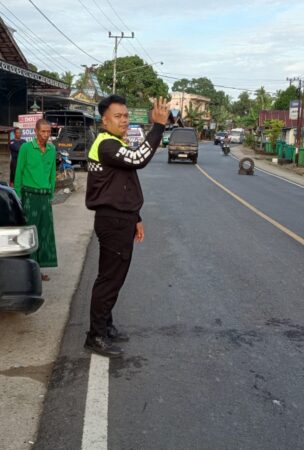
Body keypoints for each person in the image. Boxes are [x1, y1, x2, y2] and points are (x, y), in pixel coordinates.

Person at [84, 94, 169, 357]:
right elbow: (139, 158)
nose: (124, 120)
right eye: (118, 116)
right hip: (112, 221)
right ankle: (96, 335)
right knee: (109, 279)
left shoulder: (115, 143)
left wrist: (136, 217)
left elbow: (125, 185)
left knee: (114, 277)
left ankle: (105, 326)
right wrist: (158, 127)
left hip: (121, 219)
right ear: (104, 119)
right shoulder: (107, 145)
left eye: (126, 115)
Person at [14, 119, 57, 280]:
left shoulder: (52, 149)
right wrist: (18, 196)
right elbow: (19, 172)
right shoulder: (26, 148)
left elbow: (52, 173)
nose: (46, 135)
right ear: (36, 131)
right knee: (29, 233)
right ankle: (28, 270)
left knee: (45, 233)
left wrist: (51, 193)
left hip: (45, 197)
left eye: (48, 132)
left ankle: (39, 269)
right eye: (43, 131)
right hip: (29, 196)